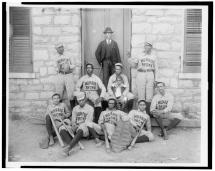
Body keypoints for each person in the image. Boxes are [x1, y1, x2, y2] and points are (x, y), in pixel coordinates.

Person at [128, 42, 158, 112]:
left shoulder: (154, 56)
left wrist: (156, 79)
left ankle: (147, 113)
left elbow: (156, 69)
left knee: (149, 95)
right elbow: (134, 65)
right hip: (141, 73)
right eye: (146, 46)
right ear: (144, 47)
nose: (147, 47)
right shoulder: (139, 55)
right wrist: (129, 58)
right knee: (141, 94)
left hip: (150, 73)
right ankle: (140, 112)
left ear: (151, 47)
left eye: (149, 46)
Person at [55, 43, 76, 111]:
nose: (60, 49)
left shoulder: (69, 55)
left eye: (61, 47)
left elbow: (74, 65)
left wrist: (68, 66)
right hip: (60, 75)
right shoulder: (56, 57)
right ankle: (60, 110)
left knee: (71, 94)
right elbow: (55, 68)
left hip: (68, 74)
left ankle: (73, 111)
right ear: (57, 50)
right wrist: (59, 68)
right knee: (59, 92)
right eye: (58, 48)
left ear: (63, 48)